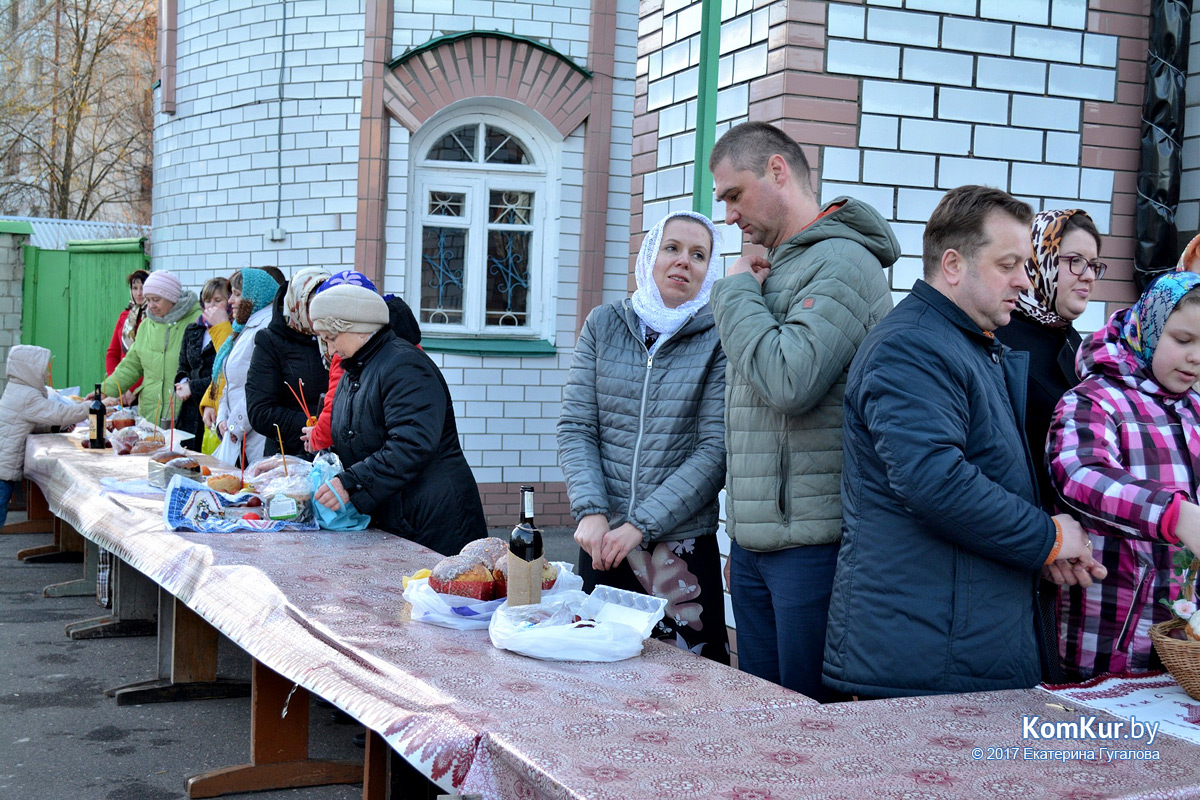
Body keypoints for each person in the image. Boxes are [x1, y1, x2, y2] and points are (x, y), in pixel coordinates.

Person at [823, 185, 1102, 699]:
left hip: (958, 638)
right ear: (953, 265)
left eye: (1025, 265)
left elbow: (988, 475)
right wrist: (1047, 536)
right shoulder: (911, 346)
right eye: (1008, 265)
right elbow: (935, 482)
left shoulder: (969, 342)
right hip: (925, 654)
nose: (1024, 280)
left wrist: (1040, 552)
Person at [707, 121, 898, 699]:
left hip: (813, 548)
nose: (729, 216)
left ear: (777, 170)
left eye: (734, 195)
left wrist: (734, 292)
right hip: (761, 545)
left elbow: (790, 380)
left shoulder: (842, 262)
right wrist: (744, 536)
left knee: (809, 722)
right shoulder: (775, 266)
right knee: (764, 717)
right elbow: (752, 415)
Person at [559, 211, 729, 662]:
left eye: (698, 255)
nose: (683, 261)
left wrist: (640, 526)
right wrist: (591, 511)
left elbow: (714, 452)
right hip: (604, 541)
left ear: (709, 270)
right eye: (672, 248)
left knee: (684, 682)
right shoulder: (604, 324)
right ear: (650, 255)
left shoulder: (718, 338)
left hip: (679, 549)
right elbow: (577, 427)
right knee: (598, 674)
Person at [1049, 271, 1200, 681]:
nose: (1195, 357)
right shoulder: (1094, 400)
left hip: (1181, 646)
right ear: (1146, 328)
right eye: (1183, 340)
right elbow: (1081, 475)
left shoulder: (1193, 409)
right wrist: (1176, 515)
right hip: (1104, 639)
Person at [994, 210, 1104, 681]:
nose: (1088, 276)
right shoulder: (1003, 339)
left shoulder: (1076, 346)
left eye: (1094, 265)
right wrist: (1040, 538)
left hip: (1072, 555)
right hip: (1019, 550)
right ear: (1039, 260)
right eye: (1074, 261)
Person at [310, 283, 485, 554]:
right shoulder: (354, 372)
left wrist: (351, 483)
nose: (331, 348)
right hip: (398, 514)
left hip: (433, 520)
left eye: (332, 337)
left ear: (358, 329)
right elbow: (355, 437)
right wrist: (317, 470)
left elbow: (412, 443)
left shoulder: (404, 365)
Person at [302, 270, 421, 453]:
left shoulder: (354, 352)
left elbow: (337, 412)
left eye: (331, 337)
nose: (332, 350)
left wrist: (317, 439)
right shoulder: (399, 348)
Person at [0, 346, 89, 528]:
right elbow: (60, 413)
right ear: (30, 370)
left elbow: (28, 422)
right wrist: (91, 407)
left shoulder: (16, 389)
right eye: (44, 370)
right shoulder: (28, 396)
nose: (47, 375)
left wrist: (54, 427)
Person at [247, 267, 330, 458]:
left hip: (336, 453)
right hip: (290, 456)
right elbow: (260, 412)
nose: (323, 316)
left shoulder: (337, 336)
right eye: (315, 308)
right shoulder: (270, 341)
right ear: (298, 305)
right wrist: (314, 424)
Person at [100, 271, 201, 426]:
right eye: (148, 300)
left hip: (184, 413)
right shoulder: (146, 325)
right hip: (149, 414)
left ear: (172, 297)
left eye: (156, 300)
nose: (151, 305)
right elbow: (131, 365)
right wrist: (104, 390)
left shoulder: (197, 322)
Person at [211, 268, 277, 467]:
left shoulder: (266, 327)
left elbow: (261, 386)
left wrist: (235, 425)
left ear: (255, 296)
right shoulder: (242, 328)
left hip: (256, 437)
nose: (230, 301)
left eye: (237, 294)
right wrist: (222, 419)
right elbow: (230, 381)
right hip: (237, 435)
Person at [174, 277, 231, 445]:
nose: (211, 305)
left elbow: (226, 372)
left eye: (218, 300)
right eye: (207, 301)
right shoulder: (193, 329)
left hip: (215, 410)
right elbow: (183, 365)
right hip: (189, 412)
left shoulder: (232, 332)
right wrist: (182, 383)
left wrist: (192, 387)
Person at [105, 268, 149, 405]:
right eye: (135, 288)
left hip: (144, 391)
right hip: (121, 392)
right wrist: (117, 386)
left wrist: (132, 389)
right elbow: (113, 353)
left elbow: (148, 361)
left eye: (143, 288)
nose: (139, 293)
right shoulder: (125, 317)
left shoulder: (154, 319)